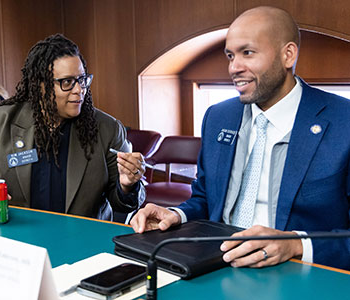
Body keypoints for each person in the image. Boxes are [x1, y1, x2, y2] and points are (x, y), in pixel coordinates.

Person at [130, 6, 350, 270]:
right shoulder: (217, 117)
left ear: (288, 55)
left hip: (301, 275)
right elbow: (205, 200)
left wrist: (296, 244)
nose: (234, 67)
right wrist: (176, 215)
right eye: (230, 56)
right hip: (214, 265)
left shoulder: (343, 121)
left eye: (248, 53)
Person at [0, 34, 146, 221]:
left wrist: (127, 185)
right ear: (41, 86)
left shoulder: (107, 128)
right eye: (67, 82)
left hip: (82, 240)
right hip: (18, 238)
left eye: (82, 80)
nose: (79, 89)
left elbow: (125, 203)